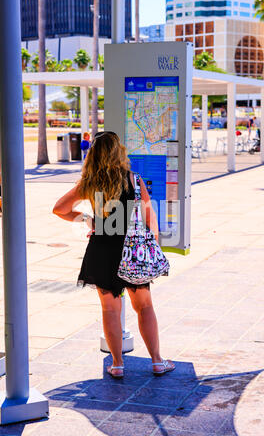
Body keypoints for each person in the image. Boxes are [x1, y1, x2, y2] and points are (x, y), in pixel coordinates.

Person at [53, 131, 175, 379]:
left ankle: (118, 364)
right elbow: (150, 217)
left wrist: (87, 219)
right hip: (133, 251)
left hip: (102, 250)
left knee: (110, 310)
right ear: (117, 152)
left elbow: (60, 209)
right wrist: (151, 244)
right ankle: (157, 361)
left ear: (94, 155)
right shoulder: (134, 180)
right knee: (144, 307)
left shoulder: (90, 183)